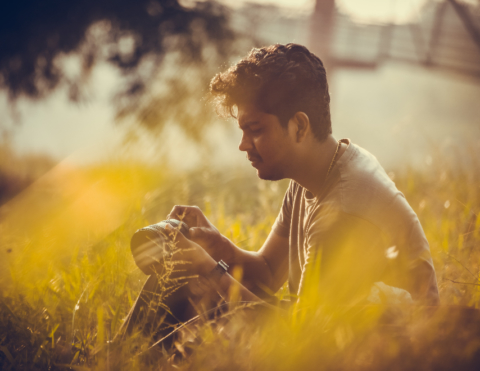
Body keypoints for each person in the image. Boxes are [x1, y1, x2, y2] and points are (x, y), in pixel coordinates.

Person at [123, 44, 439, 341]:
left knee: (197, 280)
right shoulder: (315, 172)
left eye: (255, 130)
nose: (243, 145)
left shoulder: (344, 211)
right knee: (183, 276)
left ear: (299, 127)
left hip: (379, 349)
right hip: (328, 327)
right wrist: (220, 249)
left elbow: (299, 340)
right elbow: (269, 272)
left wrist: (208, 268)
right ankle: (116, 354)